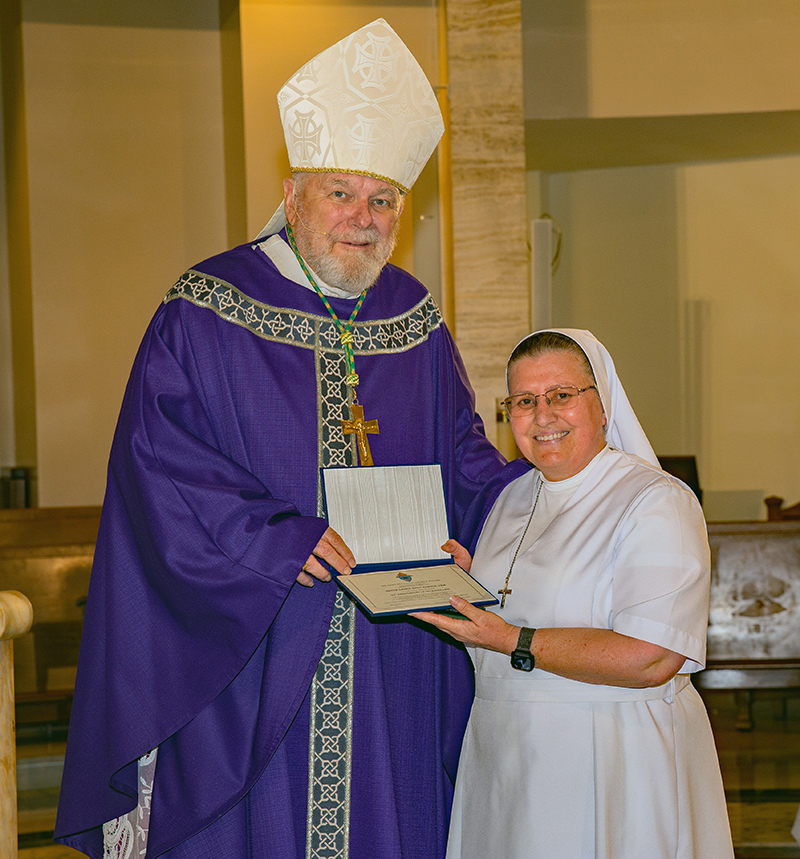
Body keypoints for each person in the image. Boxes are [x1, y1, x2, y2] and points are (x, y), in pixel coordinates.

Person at [54, 19, 504, 859]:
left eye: (384, 201)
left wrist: (538, 500)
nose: (362, 220)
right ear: (293, 197)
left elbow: (465, 453)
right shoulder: (208, 306)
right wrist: (273, 536)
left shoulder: (414, 317)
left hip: (392, 646)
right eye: (341, 194)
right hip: (257, 637)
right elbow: (160, 462)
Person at [413, 329, 735, 859]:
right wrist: (468, 583)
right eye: (523, 401)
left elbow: (652, 656)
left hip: (612, 754)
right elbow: (527, 595)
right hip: (506, 757)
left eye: (562, 395)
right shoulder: (511, 496)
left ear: (603, 404)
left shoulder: (656, 500)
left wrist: (511, 637)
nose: (542, 415)